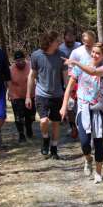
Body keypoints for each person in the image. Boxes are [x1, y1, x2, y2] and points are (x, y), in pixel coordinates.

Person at [60, 43, 103, 184]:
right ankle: (88, 159)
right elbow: (69, 87)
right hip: (83, 108)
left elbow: (93, 72)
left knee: (98, 141)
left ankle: (98, 173)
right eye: (93, 52)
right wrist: (64, 106)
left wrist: (75, 62)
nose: (94, 55)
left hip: (99, 109)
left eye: (98, 53)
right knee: (84, 142)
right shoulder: (79, 68)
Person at [26, 30, 67, 159]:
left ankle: (54, 148)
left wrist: (67, 96)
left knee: (55, 122)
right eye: (56, 41)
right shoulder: (36, 55)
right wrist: (28, 95)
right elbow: (31, 76)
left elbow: (66, 78)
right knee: (44, 120)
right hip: (41, 94)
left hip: (57, 95)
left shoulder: (61, 55)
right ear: (49, 42)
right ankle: (45, 138)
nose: (59, 43)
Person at [9, 50, 36, 143]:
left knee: (31, 116)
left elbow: (37, 78)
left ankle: (29, 128)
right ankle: (21, 134)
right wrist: (9, 92)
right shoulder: (11, 69)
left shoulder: (31, 66)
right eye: (17, 61)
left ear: (25, 59)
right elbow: (7, 82)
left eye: (21, 60)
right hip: (16, 96)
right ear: (14, 61)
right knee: (18, 117)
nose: (20, 62)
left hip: (31, 95)